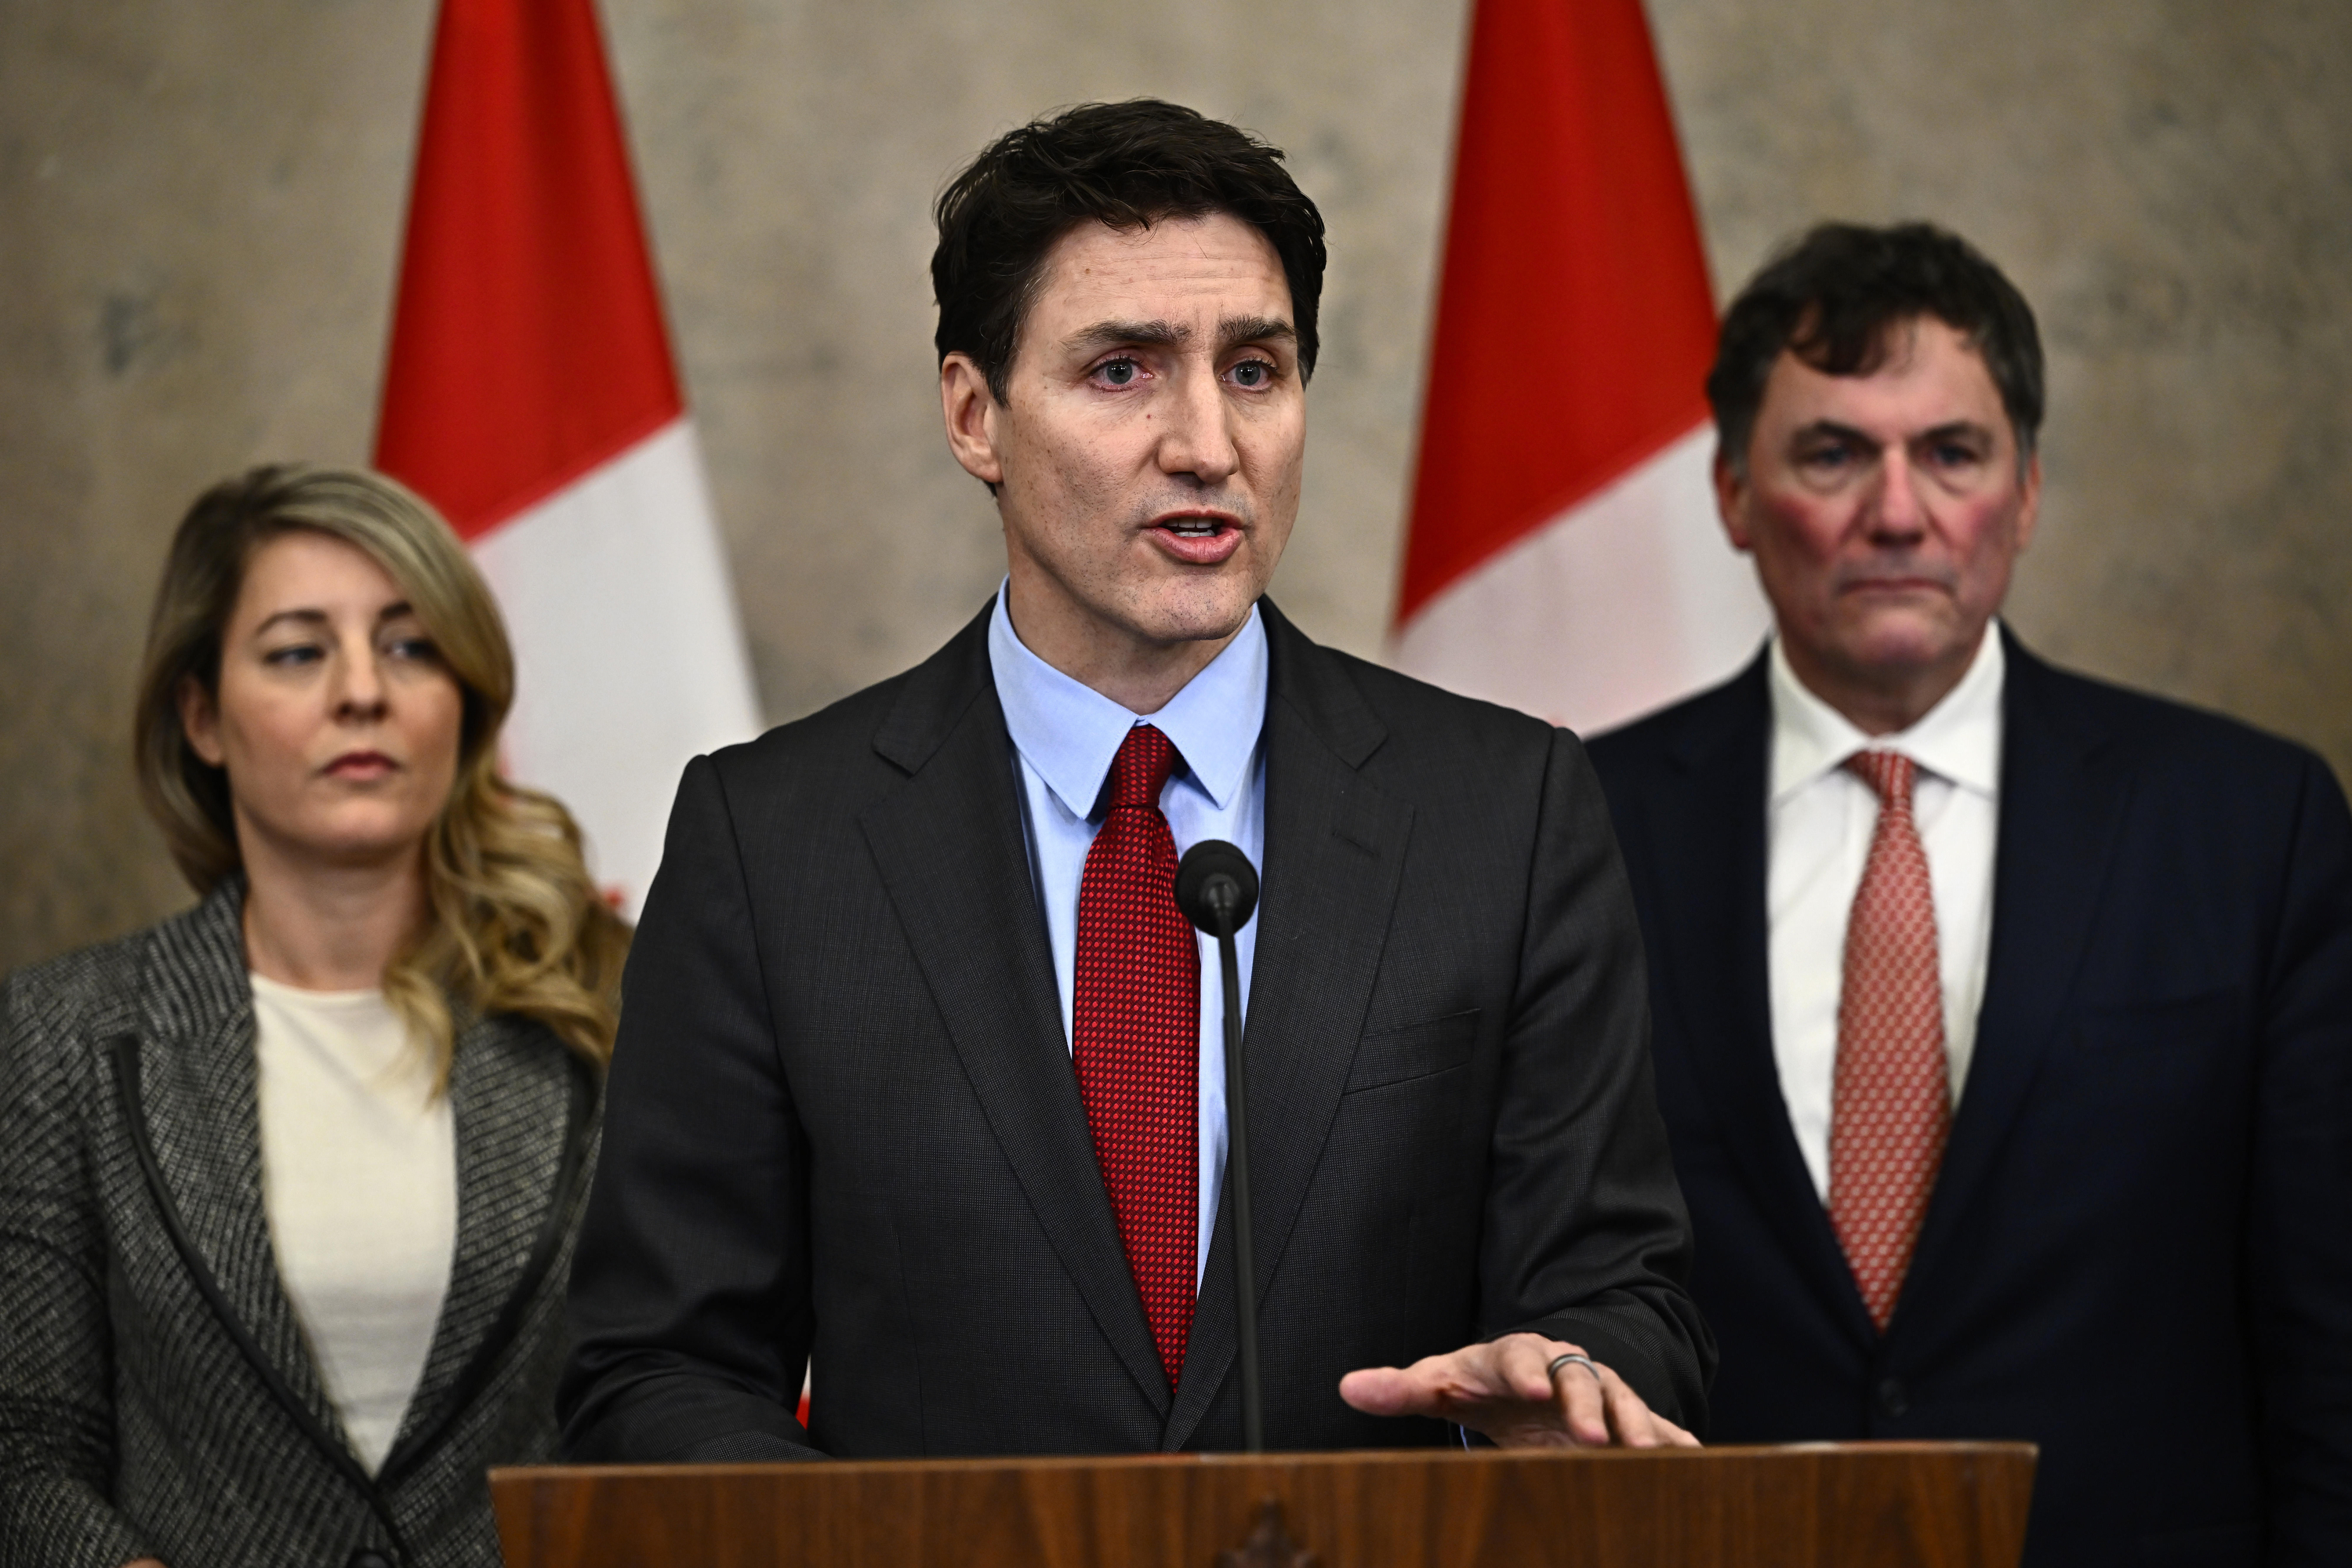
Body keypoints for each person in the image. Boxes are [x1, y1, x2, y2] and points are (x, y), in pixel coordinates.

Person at [558, 98, 1708, 1462]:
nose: (1208, 446)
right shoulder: (774, 840)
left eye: (1256, 369)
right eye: (1125, 370)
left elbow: (1625, 1299)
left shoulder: (1504, 811)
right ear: (975, 414)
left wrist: (1562, 1387)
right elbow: (656, 1372)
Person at [1586, 223, 2352, 1566]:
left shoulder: (2250, 824)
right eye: (1833, 453)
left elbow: (2329, 1332)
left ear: (2031, 490)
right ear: (1730, 493)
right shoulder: (1575, 824)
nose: (1897, 511)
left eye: (1952, 453)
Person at [0, 466, 629, 1568]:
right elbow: (24, 1449)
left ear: (463, 700)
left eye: (409, 645)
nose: (361, 693)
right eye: (298, 650)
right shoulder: (59, 1038)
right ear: (201, 715)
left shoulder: (609, 1005)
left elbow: (671, 1404)